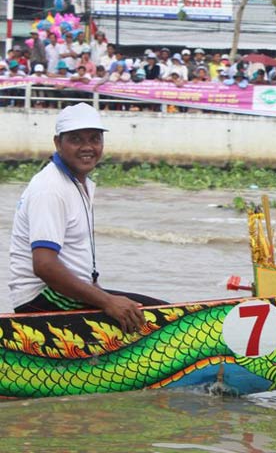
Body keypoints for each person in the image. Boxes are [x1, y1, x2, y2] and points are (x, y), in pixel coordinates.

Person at [8, 103, 165, 333]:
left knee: (154, 311)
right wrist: (107, 301)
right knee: (159, 318)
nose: (87, 147)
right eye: (76, 139)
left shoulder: (80, 183)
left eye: (94, 139)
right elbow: (44, 265)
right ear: (57, 143)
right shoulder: (50, 189)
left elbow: (74, 260)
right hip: (42, 299)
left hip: (60, 293)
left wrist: (101, 294)